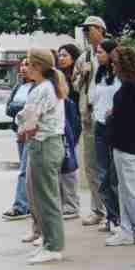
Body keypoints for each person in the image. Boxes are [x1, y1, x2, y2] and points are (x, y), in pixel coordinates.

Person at [17, 48, 67, 264]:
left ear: (38, 66)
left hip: (44, 145)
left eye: (29, 63)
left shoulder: (41, 90)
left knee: (46, 198)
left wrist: (22, 126)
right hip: (49, 144)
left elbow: (28, 121)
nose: (25, 67)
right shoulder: (48, 87)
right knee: (44, 197)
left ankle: (54, 246)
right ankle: (49, 242)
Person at [106, 46, 135, 246]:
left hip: (127, 144)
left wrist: (111, 116)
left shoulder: (130, 87)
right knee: (126, 188)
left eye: (115, 63)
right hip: (128, 143)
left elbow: (128, 118)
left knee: (130, 189)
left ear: (122, 65)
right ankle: (127, 229)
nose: (112, 66)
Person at [74, 16, 107, 226]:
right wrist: (82, 76)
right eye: (84, 30)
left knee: (108, 166)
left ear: (101, 29)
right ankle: (98, 210)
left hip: (108, 115)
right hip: (88, 114)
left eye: (89, 29)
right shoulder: (84, 57)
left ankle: (113, 212)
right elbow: (75, 85)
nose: (86, 33)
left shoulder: (111, 52)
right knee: (91, 165)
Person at [90, 39, 121, 233]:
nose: (97, 55)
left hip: (116, 127)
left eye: (101, 52)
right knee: (102, 175)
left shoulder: (121, 74)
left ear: (111, 53)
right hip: (100, 126)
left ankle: (119, 218)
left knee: (114, 176)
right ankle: (112, 217)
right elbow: (92, 98)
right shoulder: (99, 74)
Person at [2, 58, 34, 221]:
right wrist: (20, 107)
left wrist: (18, 107)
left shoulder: (38, 87)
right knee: (25, 169)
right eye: (22, 64)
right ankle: (27, 204)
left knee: (24, 170)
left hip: (30, 132)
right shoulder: (19, 86)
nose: (23, 68)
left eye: (27, 64)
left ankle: (20, 206)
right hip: (19, 132)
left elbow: (31, 108)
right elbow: (9, 108)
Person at [58, 44, 82, 220]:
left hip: (73, 125)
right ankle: (63, 203)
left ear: (74, 57)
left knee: (70, 166)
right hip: (59, 125)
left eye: (65, 55)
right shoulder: (57, 77)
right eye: (59, 55)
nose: (61, 58)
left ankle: (72, 205)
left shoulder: (77, 78)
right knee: (60, 167)